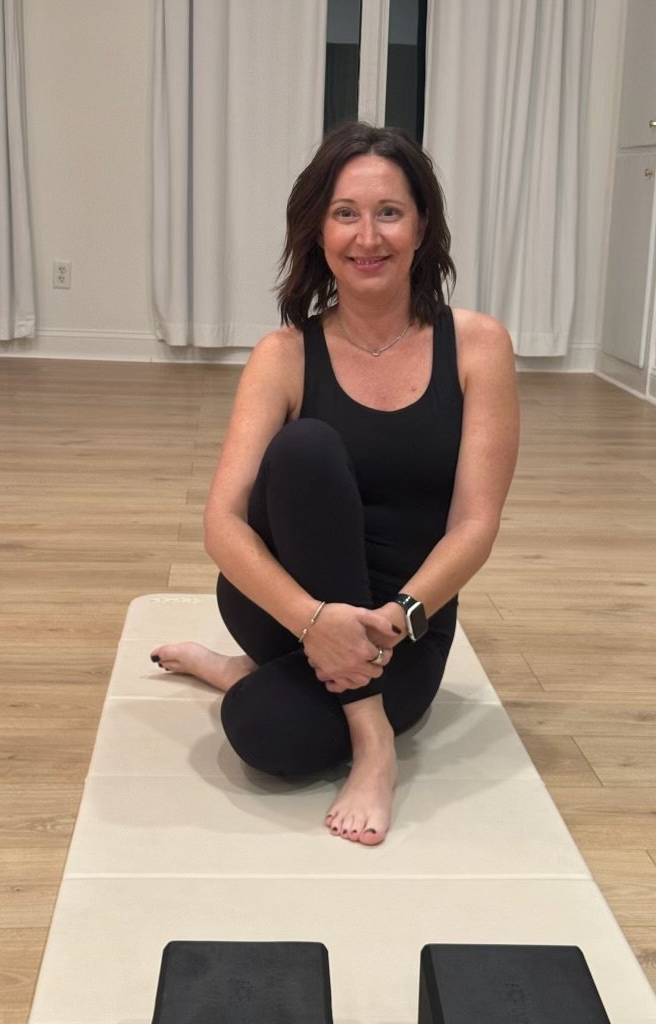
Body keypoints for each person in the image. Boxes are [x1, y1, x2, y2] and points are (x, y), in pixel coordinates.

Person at [151, 121, 519, 846]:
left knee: (261, 730)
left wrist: (396, 618)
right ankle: (372, 738)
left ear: (422, 226)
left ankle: (239, 673)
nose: (368, 236)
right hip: (287, 608)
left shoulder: (478, 346)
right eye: (345, 213)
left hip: (404, 622)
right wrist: (314, 621)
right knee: (306, 449)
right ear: (318, 231)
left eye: (390, 212)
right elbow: (223, 524)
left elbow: (475, 526)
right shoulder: (283, 354)